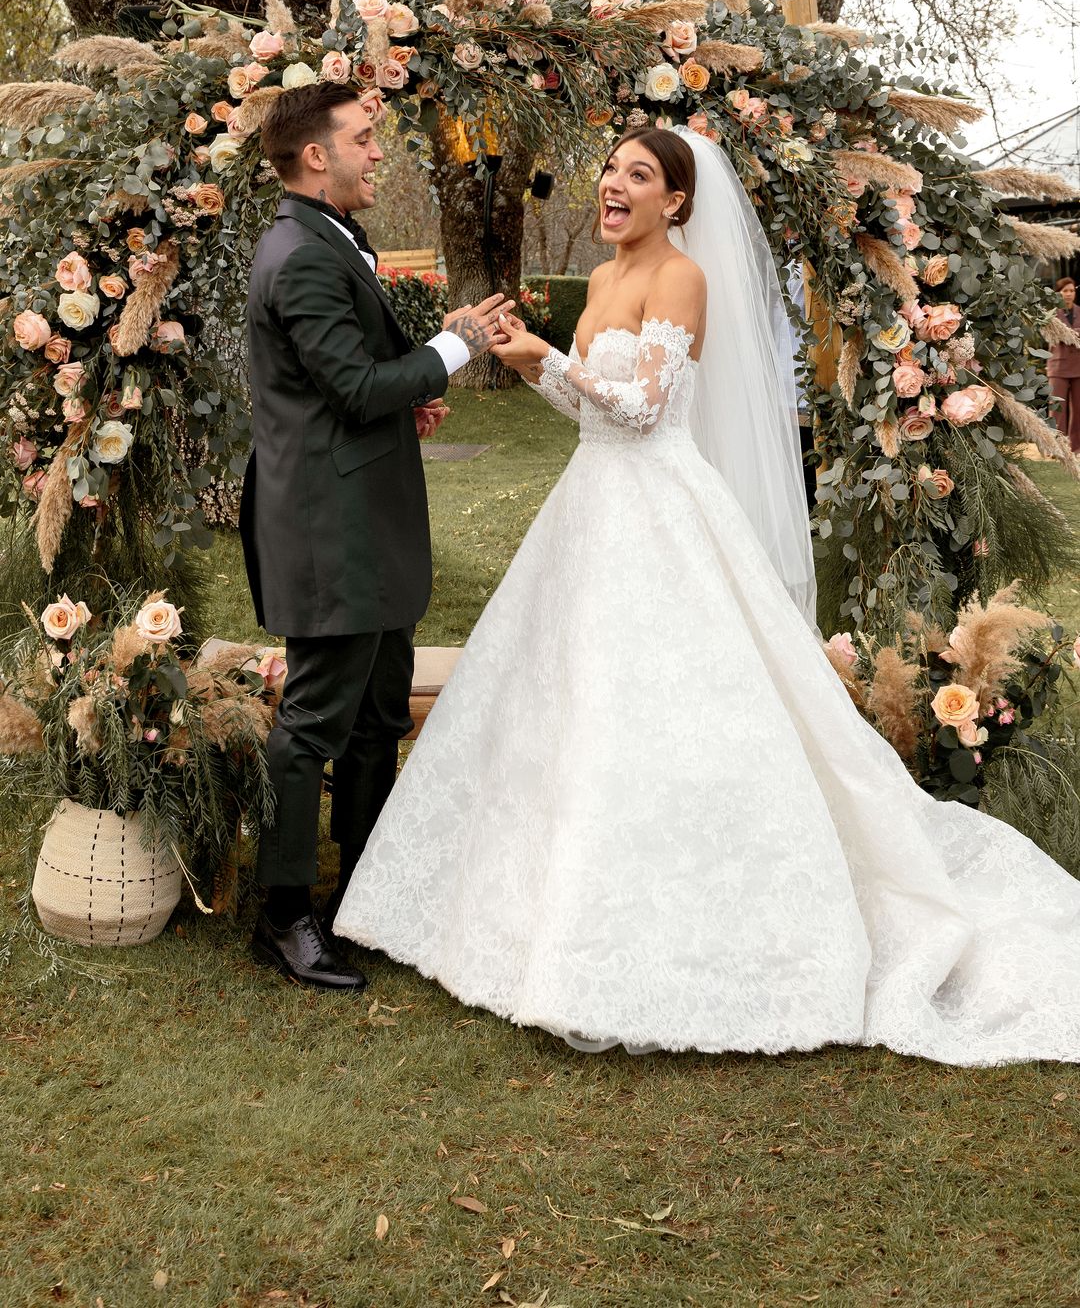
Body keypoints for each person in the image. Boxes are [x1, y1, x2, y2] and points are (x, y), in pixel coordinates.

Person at [335, 127, 1080, 1062]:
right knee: (563, 700)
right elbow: (584, 410)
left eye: (638, 176)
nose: (614, 184)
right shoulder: (603, 280)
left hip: (659, 511)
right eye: (610, 169)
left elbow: (644, 411)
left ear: (677, 203)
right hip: (590, 507)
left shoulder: (680, 279)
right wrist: (532, 362)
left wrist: (542, 354)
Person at [241, 79, 512, 989]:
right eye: (364, 136)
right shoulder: (302, 254)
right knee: (317, 722)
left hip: (368, 521)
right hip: (333, 531)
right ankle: (283, 915)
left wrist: (412, 402)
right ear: (316, 154)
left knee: (377, 720)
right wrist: (457, 343)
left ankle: (366, 892)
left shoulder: (326, 239)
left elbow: (352, 386)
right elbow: (355, 389)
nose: (377, 150)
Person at [1047, 274, 1080, 453]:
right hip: (1058, 367)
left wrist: (1070, 334)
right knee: (1057, 410)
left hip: (1078, 367)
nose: (1068, 294)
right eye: (1065, 291)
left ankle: (1076, 448)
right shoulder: (1051, 314)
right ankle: (1057, 448)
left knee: (1079, 410)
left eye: (1071, 290)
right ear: (1058, 293)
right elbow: (1054, 336)